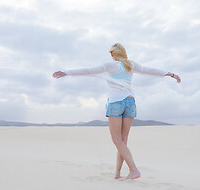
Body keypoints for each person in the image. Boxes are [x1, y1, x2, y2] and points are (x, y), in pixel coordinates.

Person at [53, 43, 181, 180]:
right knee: (122, 141)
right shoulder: (131, 64)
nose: (111, 56)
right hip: (131, 103)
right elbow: (149, 70)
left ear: (114, 54)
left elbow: (89, 70)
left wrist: (67, 72)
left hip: (116, 103)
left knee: (116, 140)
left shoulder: (110, 65)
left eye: (112, 53)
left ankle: (134, 170)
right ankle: (117, 174)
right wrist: (171, 74)